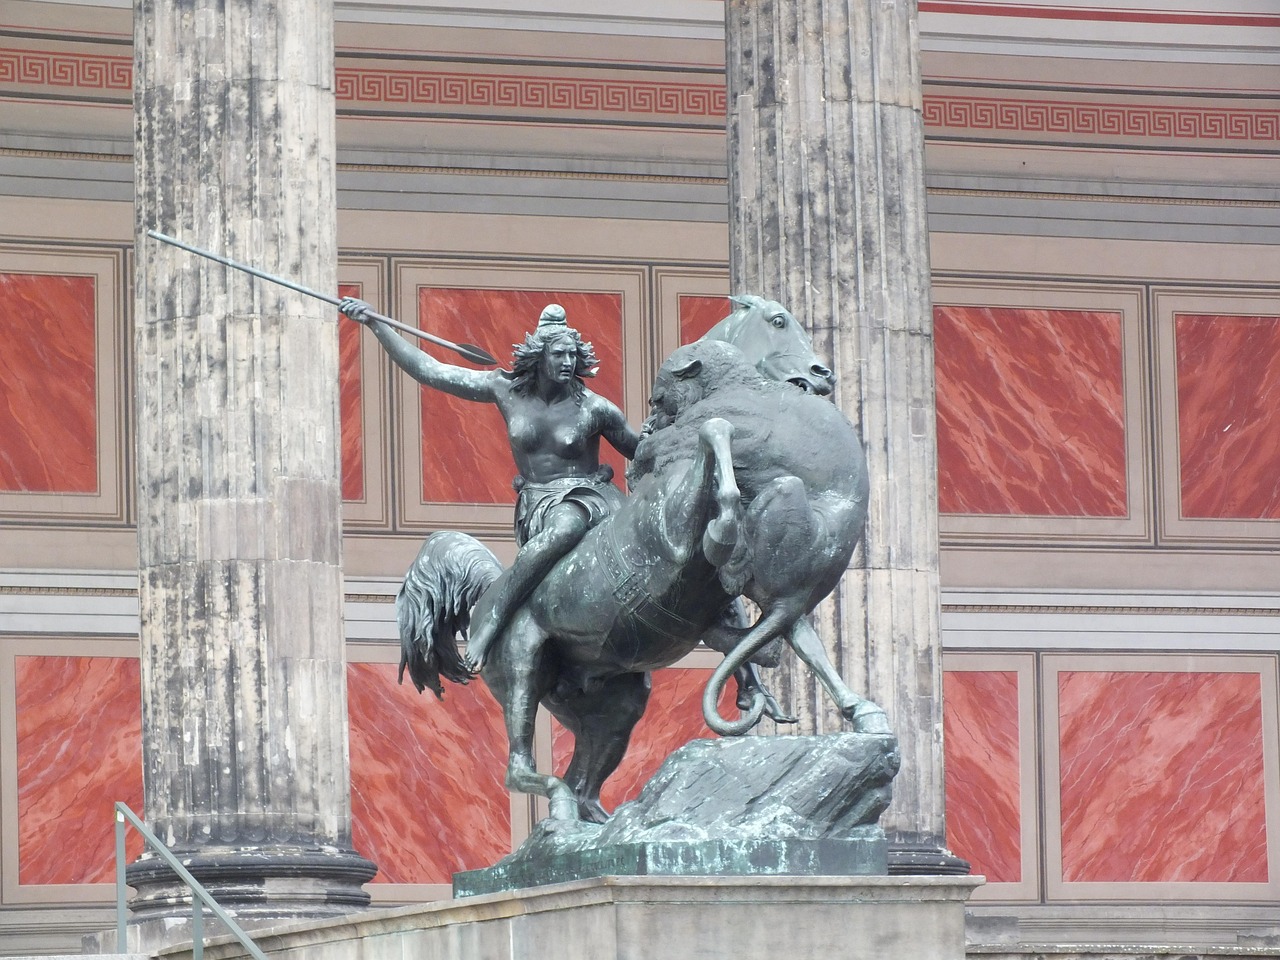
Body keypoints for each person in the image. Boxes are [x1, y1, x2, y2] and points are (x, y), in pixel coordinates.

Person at [339, 297, 640, 672]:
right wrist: (375, 325)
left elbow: (639, 450)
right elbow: (430, 370)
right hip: (537, 504)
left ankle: (492, 621)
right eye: (559, 355)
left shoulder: (595, 408)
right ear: (540, 356)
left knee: (565, 527)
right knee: (555, 527)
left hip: (587, 496)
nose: (568, 363)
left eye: (572, 356)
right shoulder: (506, 391)